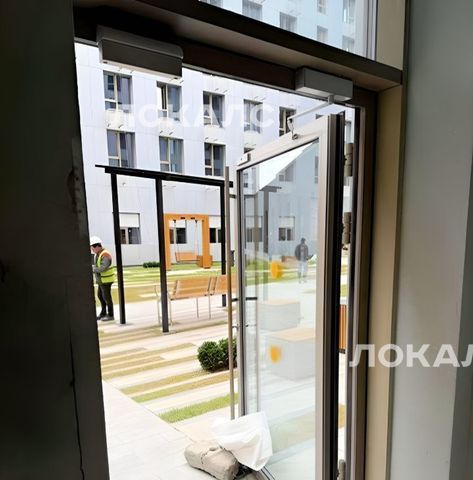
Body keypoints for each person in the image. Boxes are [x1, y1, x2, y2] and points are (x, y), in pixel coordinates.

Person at [90, 236, 116, 321]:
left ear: (97, 246)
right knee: (100, 296)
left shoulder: (105, 254)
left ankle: (111, 315)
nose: (92, 250)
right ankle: (103, 313)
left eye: (92, 248)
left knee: (106, 298)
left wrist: (93, 269)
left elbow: (103, 267)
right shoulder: (97, 254)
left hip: (106, 280)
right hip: (101, 280)